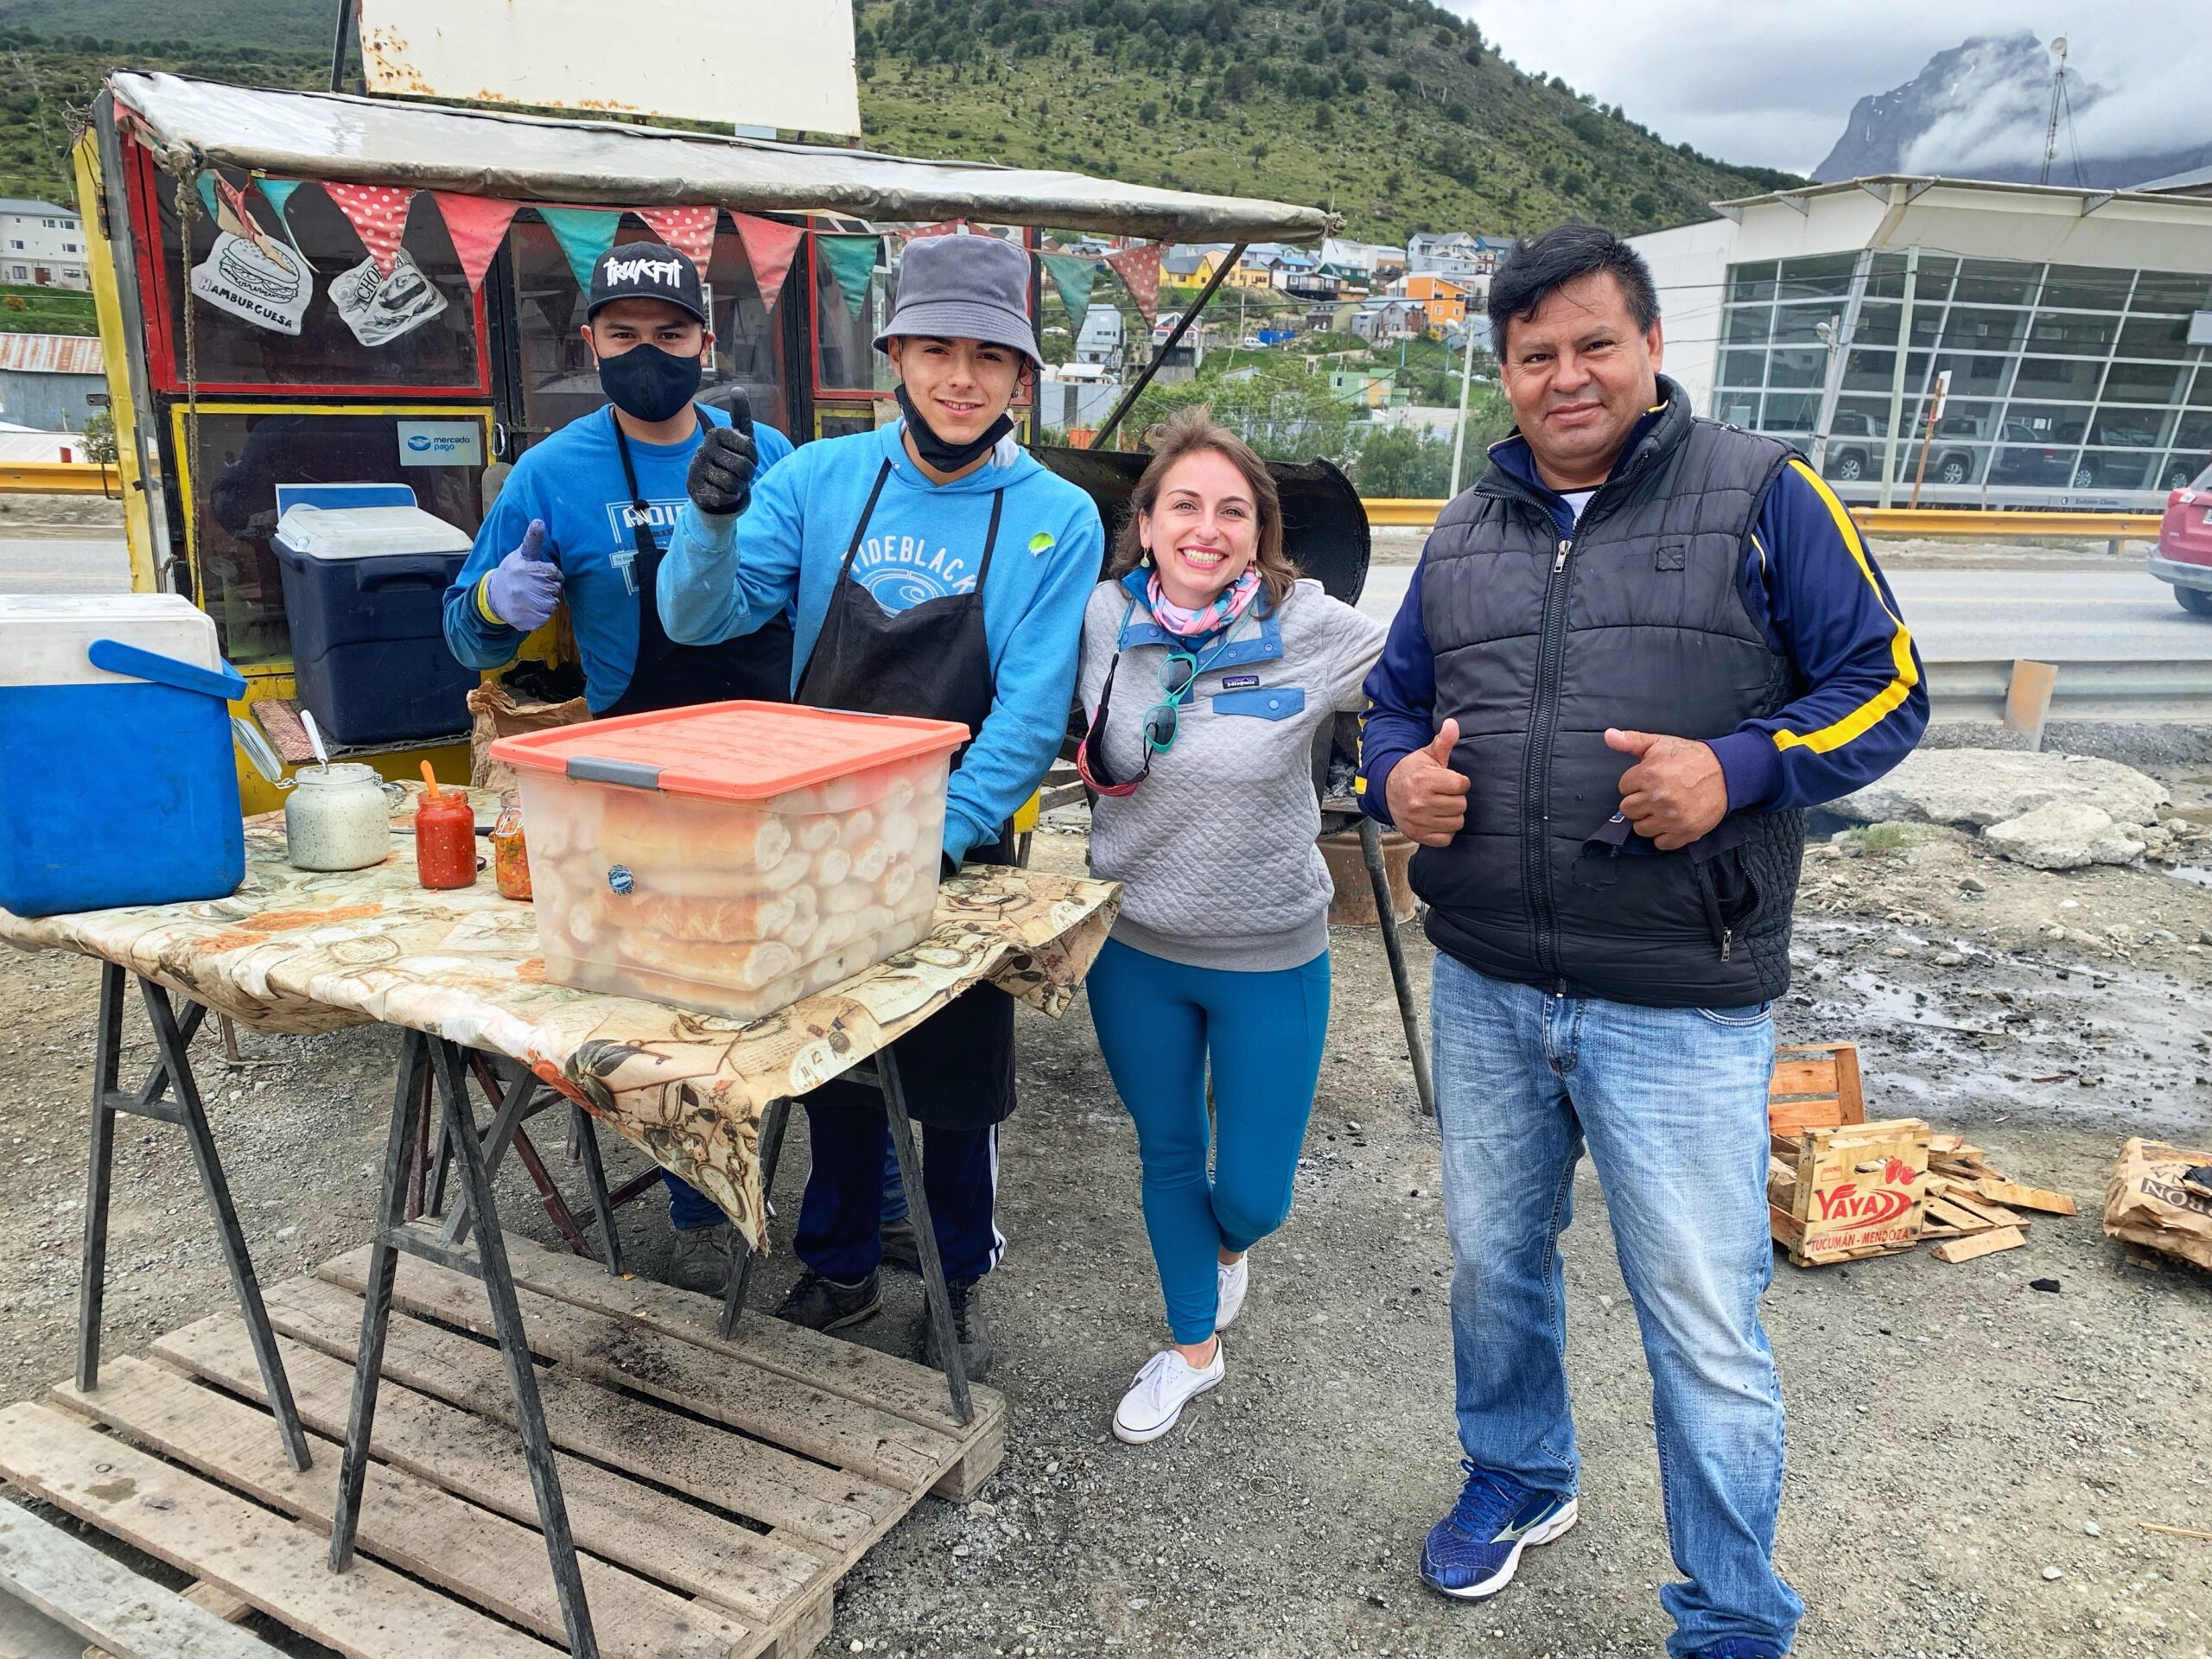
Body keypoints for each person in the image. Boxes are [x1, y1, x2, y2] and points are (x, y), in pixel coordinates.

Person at [1357, 224, 1927, 1659]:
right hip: (1487, 979)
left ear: (1653, 347)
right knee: (1496, 1264)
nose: (1567, 377)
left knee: (1704, 1322)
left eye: (1595, 344)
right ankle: (1520, 1476)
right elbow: (1387, 709)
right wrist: (1392, 783)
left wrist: (1736, 769)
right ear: (1503, 371)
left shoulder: (1765, 492)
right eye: (1535, 354)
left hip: (1680, 1000)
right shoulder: (1465, 531)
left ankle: (1733, 1616)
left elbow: (1891, 686)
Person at [658, 231, 1104, 1376]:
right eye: (937, 349)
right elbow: (697, 622)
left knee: (959, 1089)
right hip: (816, 840)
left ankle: (957, 1277)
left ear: (1022, 377)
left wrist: (926, 845)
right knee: (837, 1076)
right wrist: (704, 522)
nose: (961, 378)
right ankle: (843, 1265)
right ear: (894, 353)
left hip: (964, 852)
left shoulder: (1058, 516)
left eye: (990, 357)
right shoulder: (815, 480)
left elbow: (1025, 715)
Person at [442, 238, 799, 1295]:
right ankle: (700, 1194)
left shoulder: (767, 450)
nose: (650, 353)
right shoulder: (550, 472)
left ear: (706, 342)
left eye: (672, 334)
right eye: (625, 334)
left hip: (767, 765)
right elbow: (467, 642)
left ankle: (795, 1155)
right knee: (660, 1005)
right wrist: (497, 607)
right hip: (632, 784)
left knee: (778, 982)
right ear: (590, 342)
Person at [1075, 410, 1384, 1444]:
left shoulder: (1316, 627)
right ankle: (1192, 1348)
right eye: (1185, 506)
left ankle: (1228, 1252)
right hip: (1136, 949)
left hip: (1269, 953)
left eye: (1233, 511)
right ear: (1148, 522)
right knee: (1167, 1152)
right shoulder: (1103, 622)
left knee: (1252, 1195)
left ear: (1261, 534)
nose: (1207, 528)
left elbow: (1429, 674)